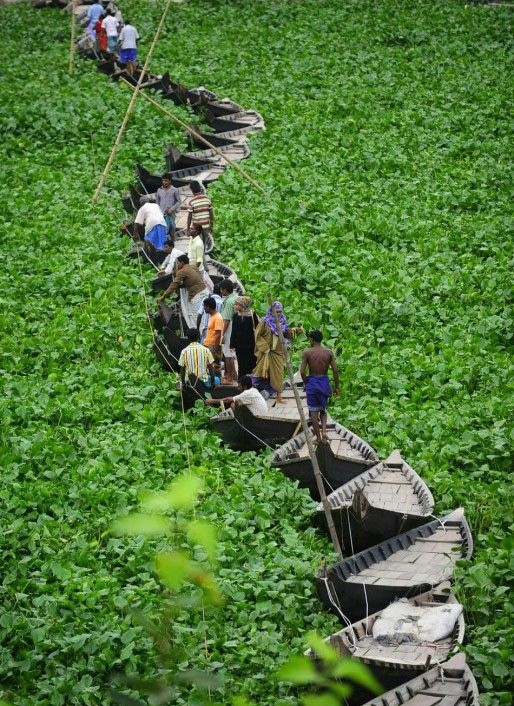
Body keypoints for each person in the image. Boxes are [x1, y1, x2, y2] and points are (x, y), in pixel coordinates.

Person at [252, 301, 301, 404]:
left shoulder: (282, 321)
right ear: (271, 310)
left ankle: (278, 396)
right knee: (262, 372)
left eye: (279, 311)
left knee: (278, 374)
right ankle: (254, 392)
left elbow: (285, 332)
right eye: (276, 311)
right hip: (266, 352)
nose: (278, 313)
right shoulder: (264, 322)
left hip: (278, 353)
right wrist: (265, 347)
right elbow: (257, 336)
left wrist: (294, 330)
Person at [300, 330, 340, 444]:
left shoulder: (307, 353)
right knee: (323, 409)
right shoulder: (329, 352)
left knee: (313, 412)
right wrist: (336, 386)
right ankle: (324, 432)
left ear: (312, 339)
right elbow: (335, 371)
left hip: (312, 382)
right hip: (324, 382)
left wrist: (306, 382)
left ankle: (318, 438)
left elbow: (302, 372)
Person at [158, 255, 209, 328]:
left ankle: (198, 335)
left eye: (177, 263)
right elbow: (192, 280)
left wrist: (163, 297)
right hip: (205, 292)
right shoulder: (194, 267)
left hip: (196, 295)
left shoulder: (182, 271)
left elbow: (174, 285)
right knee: (205, 316)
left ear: (182, 263)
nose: (177, 265)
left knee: (196, 317)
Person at [230, 296, 259, 380]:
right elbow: (233, 331)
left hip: (251, 346)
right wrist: (232, 344)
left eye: (237, 304)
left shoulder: (252, 315)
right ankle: (241, 382)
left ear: (243, 305)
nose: (235, 306)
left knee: (252, 363)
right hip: (239, 346)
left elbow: (257, 330)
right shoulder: (236, 316)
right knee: (241, 364)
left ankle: (252, 382)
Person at [178, 328, 216, 393]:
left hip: (190, 383)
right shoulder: (206, 350)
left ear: (187, 338)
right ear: (198, 337)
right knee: (217, 379)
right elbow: (210, 367)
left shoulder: (184, 351)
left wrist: (184, 384)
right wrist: (213, 381)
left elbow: (182, 369)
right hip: (204, 382)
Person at [134, 196, 168, 260]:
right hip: (162, 223)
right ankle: (164, 256)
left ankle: (153, 258)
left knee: (149, 241)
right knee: (163, 242)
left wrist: (135, 233)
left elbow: (137, 222)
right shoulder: (156, 205)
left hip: (152, 224)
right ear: (148, 201)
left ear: (141, 203)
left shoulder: (142, 208)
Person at [219, 280, 238, 384]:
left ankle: (230, 378)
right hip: (236, 329)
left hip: (229, 330)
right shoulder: (236, 297)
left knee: (228, 355)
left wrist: (222, 335)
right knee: (232, 353)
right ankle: (234, 374)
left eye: (221, 290)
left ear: (225, 290)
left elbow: (226, 321)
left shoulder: (229, 302)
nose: (221, 292)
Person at [202, 297, 224, 371]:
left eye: (204, 306)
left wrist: (215, 349)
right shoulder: (213, 316)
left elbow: (218, 334)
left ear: (208, 307)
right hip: (209, 344)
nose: (204, 308)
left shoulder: (217, 317)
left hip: (212, 345)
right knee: (209, 366)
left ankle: (215, 381)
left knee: (214, 366)